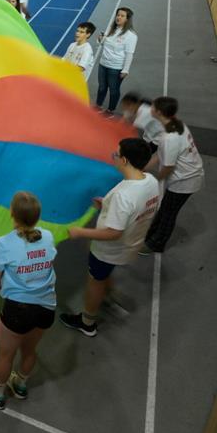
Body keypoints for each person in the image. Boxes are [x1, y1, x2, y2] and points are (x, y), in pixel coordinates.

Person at [59, 138, 159, 337]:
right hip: (130, 243)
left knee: (95, 280)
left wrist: (81, 232)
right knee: (102, 275)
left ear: (125, 161)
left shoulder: (124, 196)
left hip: (108, 250)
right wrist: (106, 204)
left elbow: (114, 232)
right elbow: (135, 209)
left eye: (117, 154)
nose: (113, 156)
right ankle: (108, 294)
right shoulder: (150, 181)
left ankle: (87, 322)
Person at [0, 192, 57, 410]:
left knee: (6, 355)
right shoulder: (48, 236)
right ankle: (20, 385)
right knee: (29, 351)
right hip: (47, 307)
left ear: (12, 213)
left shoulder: (3, 244)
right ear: (37, 217)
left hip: (18, 310)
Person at [140, 97, 204, 256]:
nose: (150, 109)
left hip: (185, 181)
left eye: (153, 107)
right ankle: (151, 234)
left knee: (169, 213)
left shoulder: (170, 137)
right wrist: (141, 169)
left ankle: (156, 244)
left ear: (159, 112)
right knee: (165, 208)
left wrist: (155, 181)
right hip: (187, 176)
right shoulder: (174, 124)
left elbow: (168, 166)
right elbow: (159, 155)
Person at [96, 7, 137, 113]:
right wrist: (100, 40)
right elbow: (104, 43)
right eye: (118, 15)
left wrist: (125, 70)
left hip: (116, 68)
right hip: (103, 64)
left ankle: (110, 110)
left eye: (122, 16)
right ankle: (98, 106)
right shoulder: (111, 29)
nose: (118, 17)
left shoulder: (131, 36)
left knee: (113, 90)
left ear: (127, 19)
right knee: (101, 87)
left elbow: (129, 54)